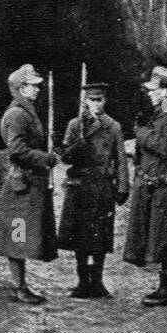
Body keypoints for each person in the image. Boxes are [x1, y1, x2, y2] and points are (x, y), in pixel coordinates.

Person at [0, 62, 59, 304]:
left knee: (21, 236)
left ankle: (19, 285)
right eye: (32, 86)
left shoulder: (26, 111)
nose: (37, 90)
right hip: (23, 185)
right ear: (21, 87)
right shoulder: (17, 114)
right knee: (17, 237)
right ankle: (19, 287)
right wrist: (46, 158)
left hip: (30, 184)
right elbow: (17, 150)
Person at [57, 81, 130, 299]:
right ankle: (82, 282)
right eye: (92, 100)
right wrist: (74, 146)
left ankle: (97, 283)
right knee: (79, 236)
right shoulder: (75, 125)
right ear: (85, 102)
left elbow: (121, 159)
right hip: (80, 185)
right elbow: (65, 157)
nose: (96, 104)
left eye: (100, 100)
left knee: (100, 237)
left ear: (105, 101)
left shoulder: (113, 127)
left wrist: (123, 186)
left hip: (102, 187)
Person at [123, 65, 167, 307]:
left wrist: (141, 133)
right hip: (154, 186)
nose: (149, 94)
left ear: (166, 92)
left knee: (165, 239)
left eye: (154, 90)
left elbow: (166, 147)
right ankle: (165, 287)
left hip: (163, 187)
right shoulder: (162, 114)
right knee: (159, 237)